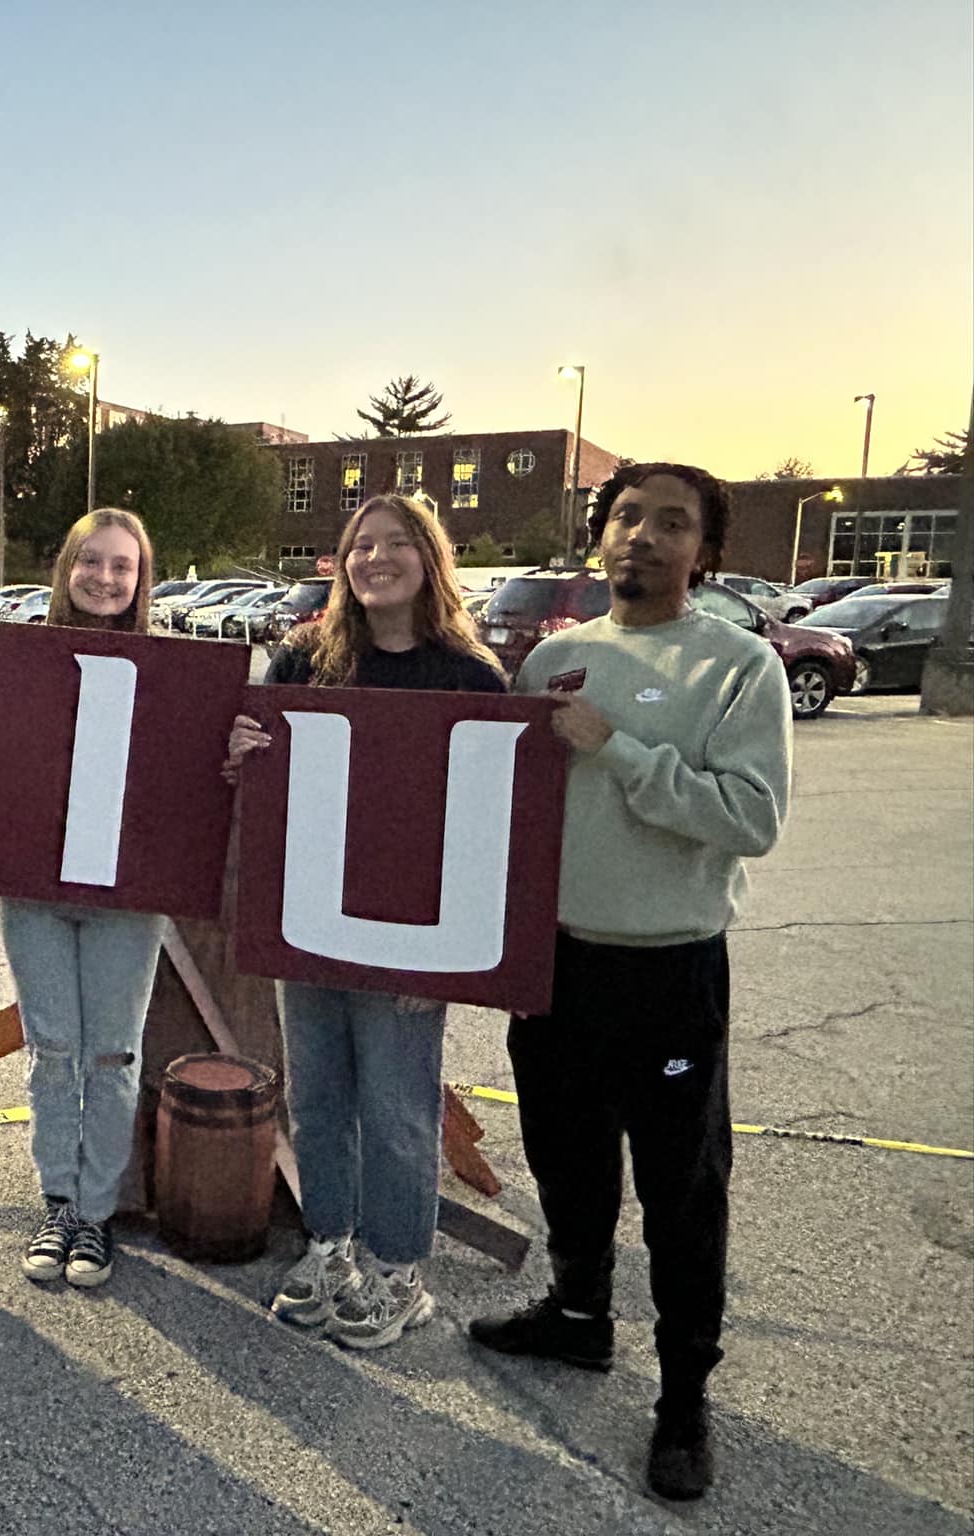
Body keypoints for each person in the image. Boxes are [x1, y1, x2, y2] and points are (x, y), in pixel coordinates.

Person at [466, 464, 790, 1502]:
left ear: (704, 550)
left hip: (669, 968)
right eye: (623, 518)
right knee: (564, 1158)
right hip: (554, 959)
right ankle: (575, 1315)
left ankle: (684, 1397)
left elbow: (749, 819)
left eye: (670, 524)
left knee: (680, 1192)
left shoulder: (737, 666)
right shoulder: (555, 657)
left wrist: (616, 751)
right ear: (597, 536)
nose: (639, 537)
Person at [225, 492, 505, 1350]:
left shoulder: (470, 676)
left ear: (430, 558)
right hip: (310, 920)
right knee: (316, 1101)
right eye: (359, 545)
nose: (375, 559)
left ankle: (398, 1268)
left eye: (395, 545)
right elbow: (265, 797)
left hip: (409, 935)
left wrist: (451, 961)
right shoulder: (304, 663)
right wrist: (241, 758)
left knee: (397, 1108)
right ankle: (332, 1246)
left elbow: (492, 828)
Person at [0, 509, 166, 1290]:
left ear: (141, 579)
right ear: (66, 567)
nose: (105, 578)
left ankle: (96, 1211)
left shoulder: (169, 671)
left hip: (127, 887)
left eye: (121, 566)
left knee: (111, 1053)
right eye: (90, 561)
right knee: (52, 1050)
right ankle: (58, 1201)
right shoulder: (25, 659)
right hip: (34, 879)